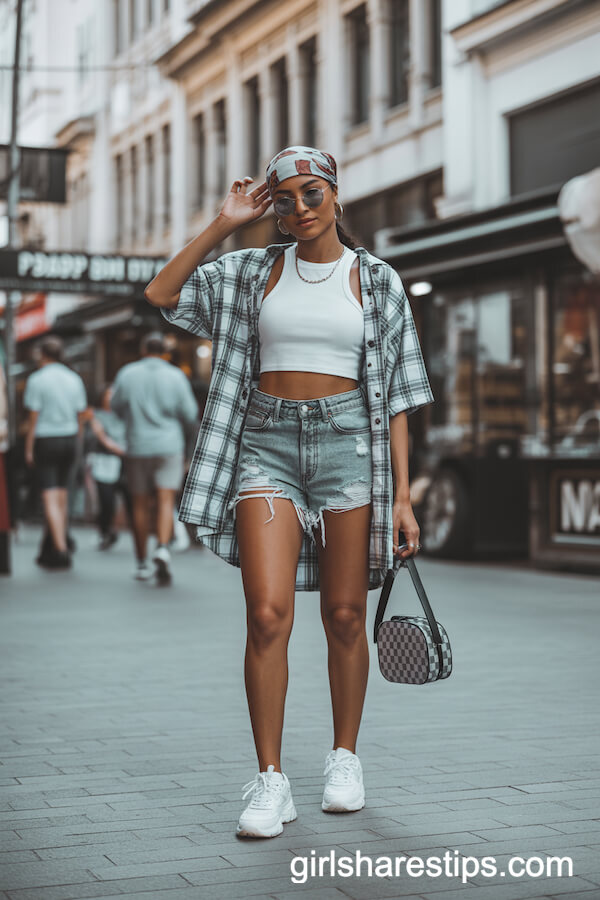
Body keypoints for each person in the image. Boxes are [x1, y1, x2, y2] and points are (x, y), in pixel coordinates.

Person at [144, 146, 434, 837]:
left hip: (349, 448)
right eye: (284, 200)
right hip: (265, 446)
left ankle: (344, 758)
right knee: (267, 616)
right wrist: (224, 223)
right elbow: (162, 296)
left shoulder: (377, 280)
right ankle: (271, 780)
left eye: (311, 194)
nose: (299, 209)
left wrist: (404, 496)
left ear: (335, 195)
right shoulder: (250, 272)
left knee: (342, 616)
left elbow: (397, 395)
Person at [111, 332, 199, 584]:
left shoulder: (127, 374)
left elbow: (116, 407)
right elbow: (189, 413)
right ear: (164, 352)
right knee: (165, 498)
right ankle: (162, 547)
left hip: (137, 445)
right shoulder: (176, 376)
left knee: (139, 503)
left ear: (142, 350)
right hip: (169, 445)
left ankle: (141, 563)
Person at [23, 335, 87, 569]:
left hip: (46, 439)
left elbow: (33, 418)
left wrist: (29, 449)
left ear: (43, 354)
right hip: (70, 438)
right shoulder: (74, 379)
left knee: (49, 496)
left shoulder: (37, 380)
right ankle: (57, 542)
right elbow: (81, 415)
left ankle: (60, 549)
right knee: (62, 495)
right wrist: (77, 442)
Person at [85, 384, 131, 551]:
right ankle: (106, 531)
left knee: (128, 498)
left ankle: (115, 529)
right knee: (106, 500)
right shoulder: (95, 416)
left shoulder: (125, 416)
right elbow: (93, 438)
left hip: (125, 462)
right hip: (104, 461)